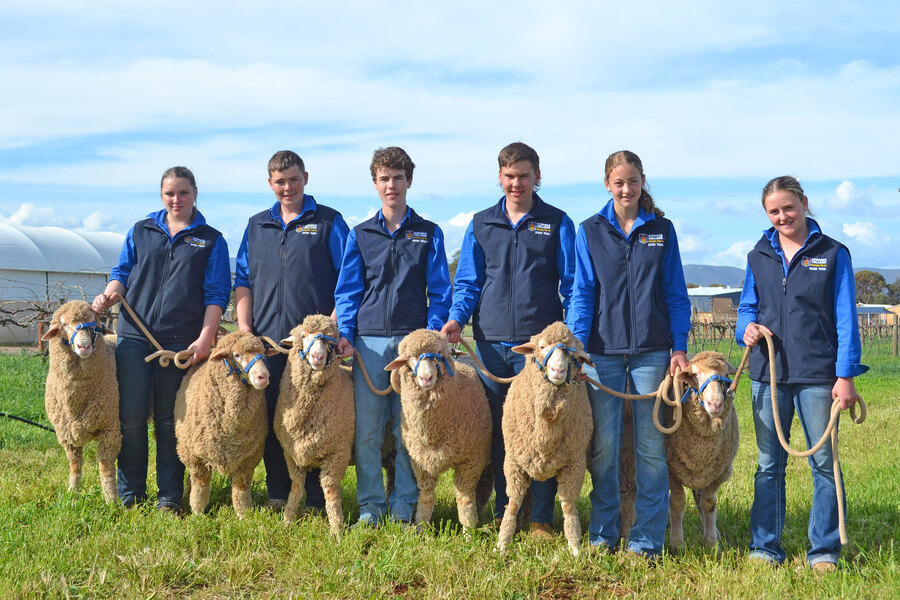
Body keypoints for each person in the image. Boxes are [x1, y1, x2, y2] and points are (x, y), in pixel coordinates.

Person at [440, 142, 575, 535]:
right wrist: (455, 319)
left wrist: (569, 337)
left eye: (524, 176)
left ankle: (542, 518)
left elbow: (571, 284)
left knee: (546, 428)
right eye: (510, 176)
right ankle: (506, 510)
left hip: (540, 350)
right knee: (504, 430)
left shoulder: (557, 222)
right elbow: (467, 281)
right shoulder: (482, 224)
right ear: (500, 178)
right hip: (491, 343)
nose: (517, 183)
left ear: (537, 177)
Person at [736, 175, 866, 572]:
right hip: (767, 374)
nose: (782, 217)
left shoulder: (832, 253)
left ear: (804, 203)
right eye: (773, 211)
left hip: (817, 376)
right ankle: (765, 546)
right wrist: (748, 328)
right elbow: (746, 306)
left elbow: (846, 318)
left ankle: (823, 550)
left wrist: (844, 376)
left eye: (788, 208)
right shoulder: (758, 254)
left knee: (824, 463)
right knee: (768, 464)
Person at [567, 150, 691, 557]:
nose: (626, 189)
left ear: (642, 182)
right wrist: (577, 348)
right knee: (603, 446)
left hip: (653, 354)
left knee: (650, 449)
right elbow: (582, 294)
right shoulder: (589, 230)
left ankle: (646, 541)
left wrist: (679, 346)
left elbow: (675, 291)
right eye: (619, 182)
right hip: (602, 353)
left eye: (633, 181)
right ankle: (603, 534)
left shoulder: (662, 230)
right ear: (607, 184)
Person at [92, 166, 231, 512]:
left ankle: (169, 495)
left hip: (179, 344)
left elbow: (216, 293)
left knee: (173, 420)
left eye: (183, 193)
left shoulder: (211, 240)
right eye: (170, 193)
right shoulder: (142, 230)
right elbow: (122, 271)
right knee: (132, 416)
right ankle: (131, 492)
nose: (176, 200)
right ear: (161, 196)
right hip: (134, 336)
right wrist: (110, 294)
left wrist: (205, 338)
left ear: (195, 193)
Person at [335, 146, 452, 526]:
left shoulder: (428, 233)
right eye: (384, 179)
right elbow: (349, 290)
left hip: (412, 347)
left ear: (409, 182)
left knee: (408, 432)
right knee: (367, 432)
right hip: (367, 344)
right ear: (375, 183)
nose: (391, 185)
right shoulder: (360, 234)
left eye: (398, 178)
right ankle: (370, 507)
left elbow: (440, 290)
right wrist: (346, 334)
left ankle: (404, 506)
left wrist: (430, 339)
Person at [233, 150, 350, 513]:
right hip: (269, 344)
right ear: (270, 183)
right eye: (280, 182)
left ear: (306, 178)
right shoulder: (256, 225)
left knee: (317, 422)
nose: (288, 187)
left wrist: (331, 329)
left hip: (316, 346)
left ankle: (315, 498)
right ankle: (278, 493)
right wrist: (244, 328)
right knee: (271, 419)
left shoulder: (330, 222)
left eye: (294, 180)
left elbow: (349, 278)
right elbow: (243, 281)